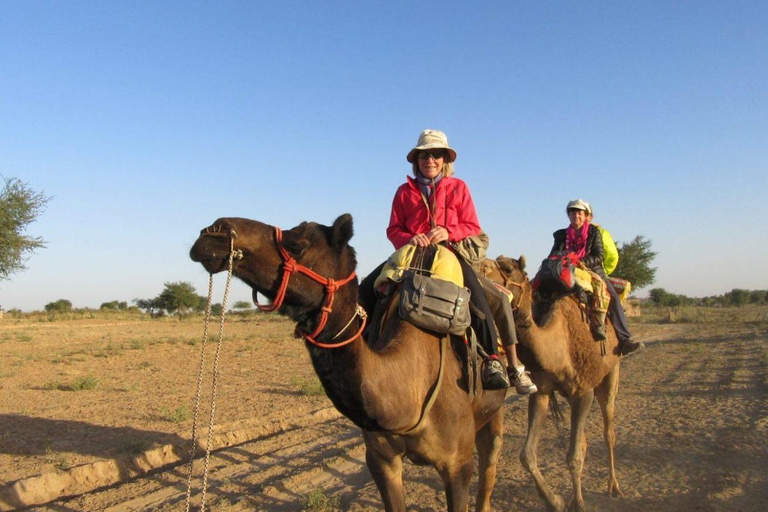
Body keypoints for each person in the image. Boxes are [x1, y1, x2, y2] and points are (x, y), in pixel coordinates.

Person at [361, 129, 536, 393]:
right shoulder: (403, 192)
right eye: (424, 155)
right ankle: (358, 358)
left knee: (491, 299)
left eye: (436, 155)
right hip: (411, 253)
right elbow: (393, 230)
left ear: (445, 159)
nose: (430, 160)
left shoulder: (459, 187)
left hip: (449, 254)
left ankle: (499, 363)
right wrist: (410, 237)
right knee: (363, 291)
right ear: (416, 159)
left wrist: (448, 232)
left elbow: (471, 225)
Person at [549, 199, 644, 356]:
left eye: (579, 212)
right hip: (565, 271)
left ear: (586, 216)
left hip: (592, 271)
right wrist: (562, 260)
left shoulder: (594, 233)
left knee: (611, 298)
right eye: (572, 212)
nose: (576, 215)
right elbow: (553, 254)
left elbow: (598, 255)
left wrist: (579, 262)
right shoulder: (561, 235)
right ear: (568, 215)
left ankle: (624, 339)